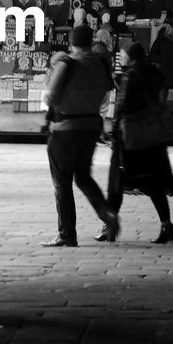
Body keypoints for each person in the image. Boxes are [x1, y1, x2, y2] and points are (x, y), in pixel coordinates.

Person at [41, 25, 119, 247]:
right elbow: (105, 98)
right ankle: (107, 215)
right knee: (83, 176)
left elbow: (50, 99)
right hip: (90, 126)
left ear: (71, 42)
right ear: (90, 40)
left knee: (62, 183)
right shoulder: (100, 64)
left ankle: (67, 233)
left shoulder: (67, 63)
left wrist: (50, 75)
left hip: (65, 128)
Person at [98, 41, 173, 244]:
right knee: (154, 183)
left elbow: (123, 106)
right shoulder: (154, 73)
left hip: (132, 137)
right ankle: (167, 226)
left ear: (131, 56)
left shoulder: (130, 77)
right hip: (153, 136)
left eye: (123, 54)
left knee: (117, 182)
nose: (121, 58)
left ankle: (109, 228)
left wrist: (113, 133)